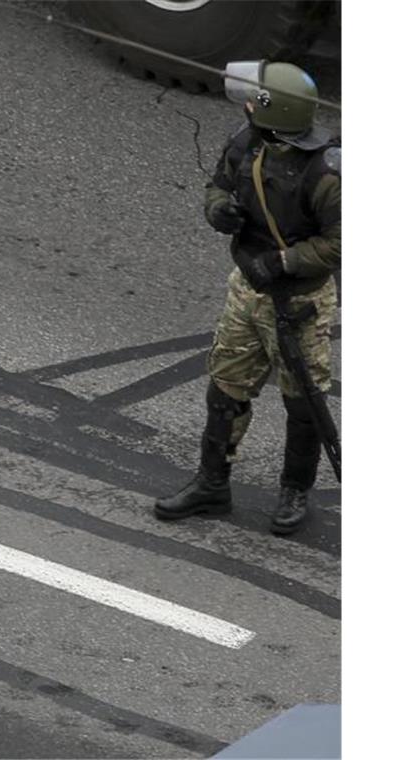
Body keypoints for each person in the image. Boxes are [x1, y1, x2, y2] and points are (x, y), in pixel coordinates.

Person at [154, 61, 340, 535]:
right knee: (226, 388)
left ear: (272, 113)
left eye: (253, 100)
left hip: (300, 300)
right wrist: (218, 209)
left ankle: (294, 492)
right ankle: (212, 484)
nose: (244, 104)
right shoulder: (246, 141)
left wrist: (283, 263)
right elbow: (217, 184)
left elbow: (343, 241)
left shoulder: (328, 174)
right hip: (247, 290)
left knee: (303, 404)